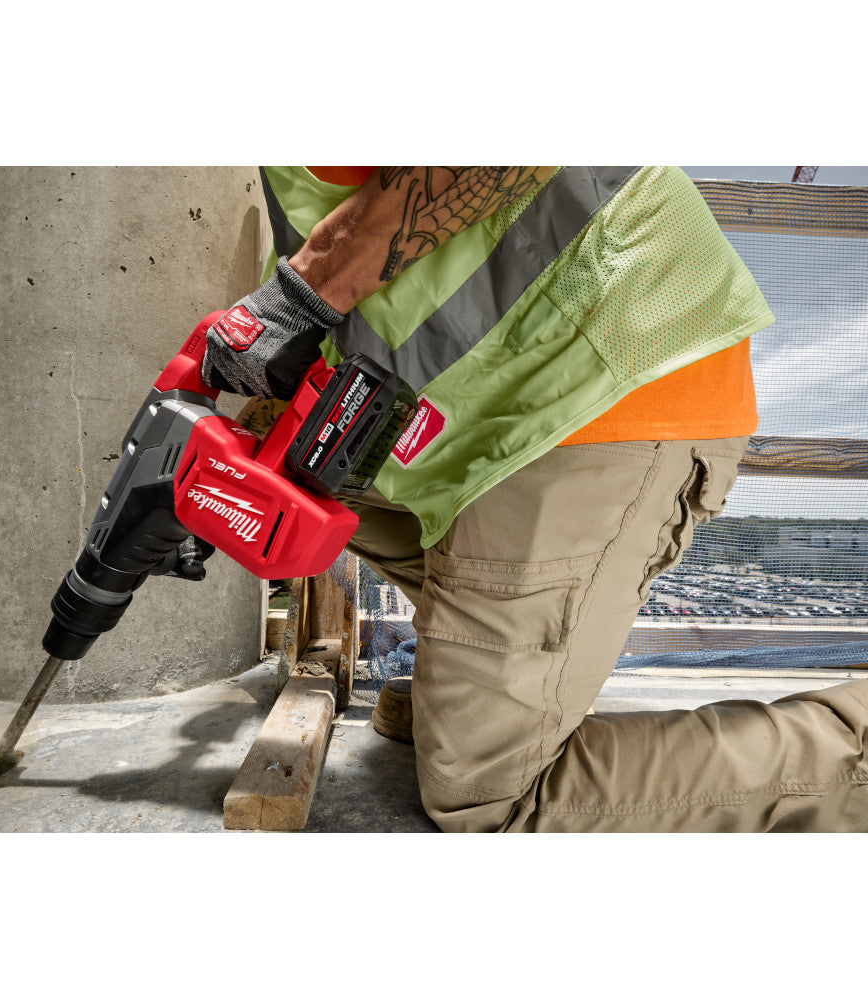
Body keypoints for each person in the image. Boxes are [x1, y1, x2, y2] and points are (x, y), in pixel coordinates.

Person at [201, 166, 868, 832]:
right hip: (497, 415)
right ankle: (487, 671)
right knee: (284, 469)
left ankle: (852, 745)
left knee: (490, 796)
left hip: (605, 375)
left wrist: (302, 292)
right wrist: (222, 465)